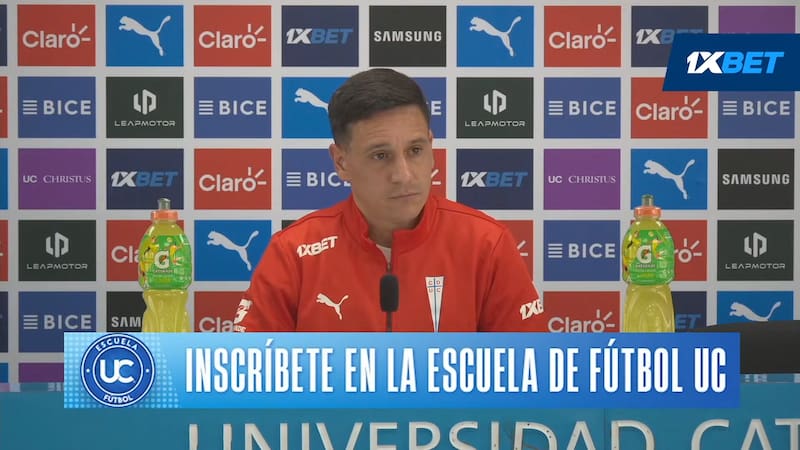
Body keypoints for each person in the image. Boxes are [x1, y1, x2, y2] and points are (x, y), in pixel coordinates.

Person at [233, 68, 544, 332]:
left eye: (415, 150)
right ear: (341, 162)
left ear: (431, 147)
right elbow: (250, 372)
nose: (404, 175)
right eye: (380, 155)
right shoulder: (293, 252)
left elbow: (530, 371)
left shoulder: (487, 244)